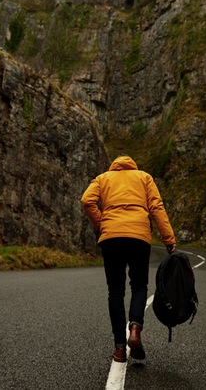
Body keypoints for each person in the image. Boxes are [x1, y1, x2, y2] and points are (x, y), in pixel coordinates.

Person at [81, 154, 177, 363]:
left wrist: (103, 224)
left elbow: (87, 201)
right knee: (139, 286)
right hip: (139, 237)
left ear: (114, 166)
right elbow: (157, 207)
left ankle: (119, 349)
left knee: (115, 291)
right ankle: (134, 329)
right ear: (133, 165)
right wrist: (168, 238)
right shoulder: (144, 177)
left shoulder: (102, 178)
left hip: (111, 238)